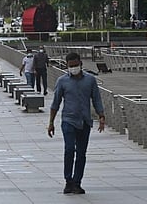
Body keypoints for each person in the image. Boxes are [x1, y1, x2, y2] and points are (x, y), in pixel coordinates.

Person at [48, 52, 105, 195]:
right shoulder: (62, 81)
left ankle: (77, 182)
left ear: (80, 64)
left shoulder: (90, 80)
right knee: (69, 150)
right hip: (68, 120)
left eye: (75, 65)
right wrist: (51, 122)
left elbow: (96, 99)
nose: (73, 68)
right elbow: (56, 103)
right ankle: (68, 181)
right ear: (67, 66)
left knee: (81, 154)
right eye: (70, 66)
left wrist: (101, 116)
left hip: (85, 121)